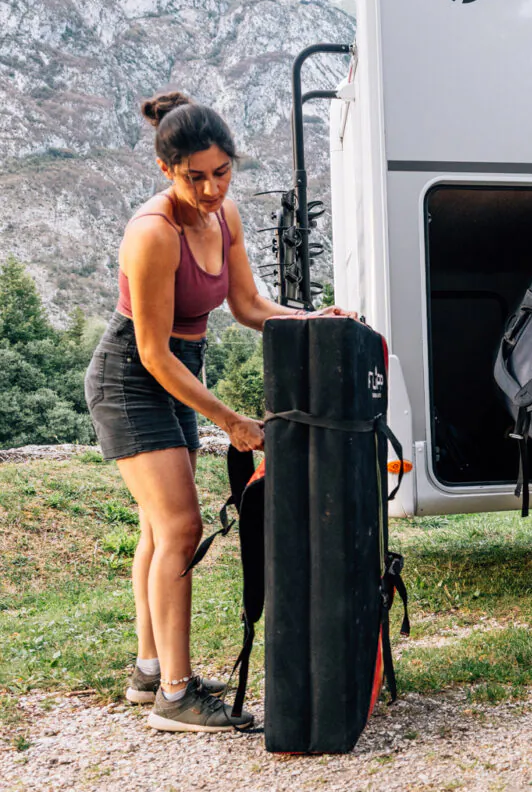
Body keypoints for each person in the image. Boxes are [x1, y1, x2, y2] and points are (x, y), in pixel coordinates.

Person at [85, 92, 354, 731]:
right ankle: (177, 696)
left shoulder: (225, 216)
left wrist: (312, 319)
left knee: (159, 530)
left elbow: (247, 306)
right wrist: (231, 421)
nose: (210, 189)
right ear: (166, 170)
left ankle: (149, 675)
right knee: (179, 528)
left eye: (221, 172)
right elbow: (152, 354)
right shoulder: (153, 233)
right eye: (194, 176)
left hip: (182, 372)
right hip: (134, 376)